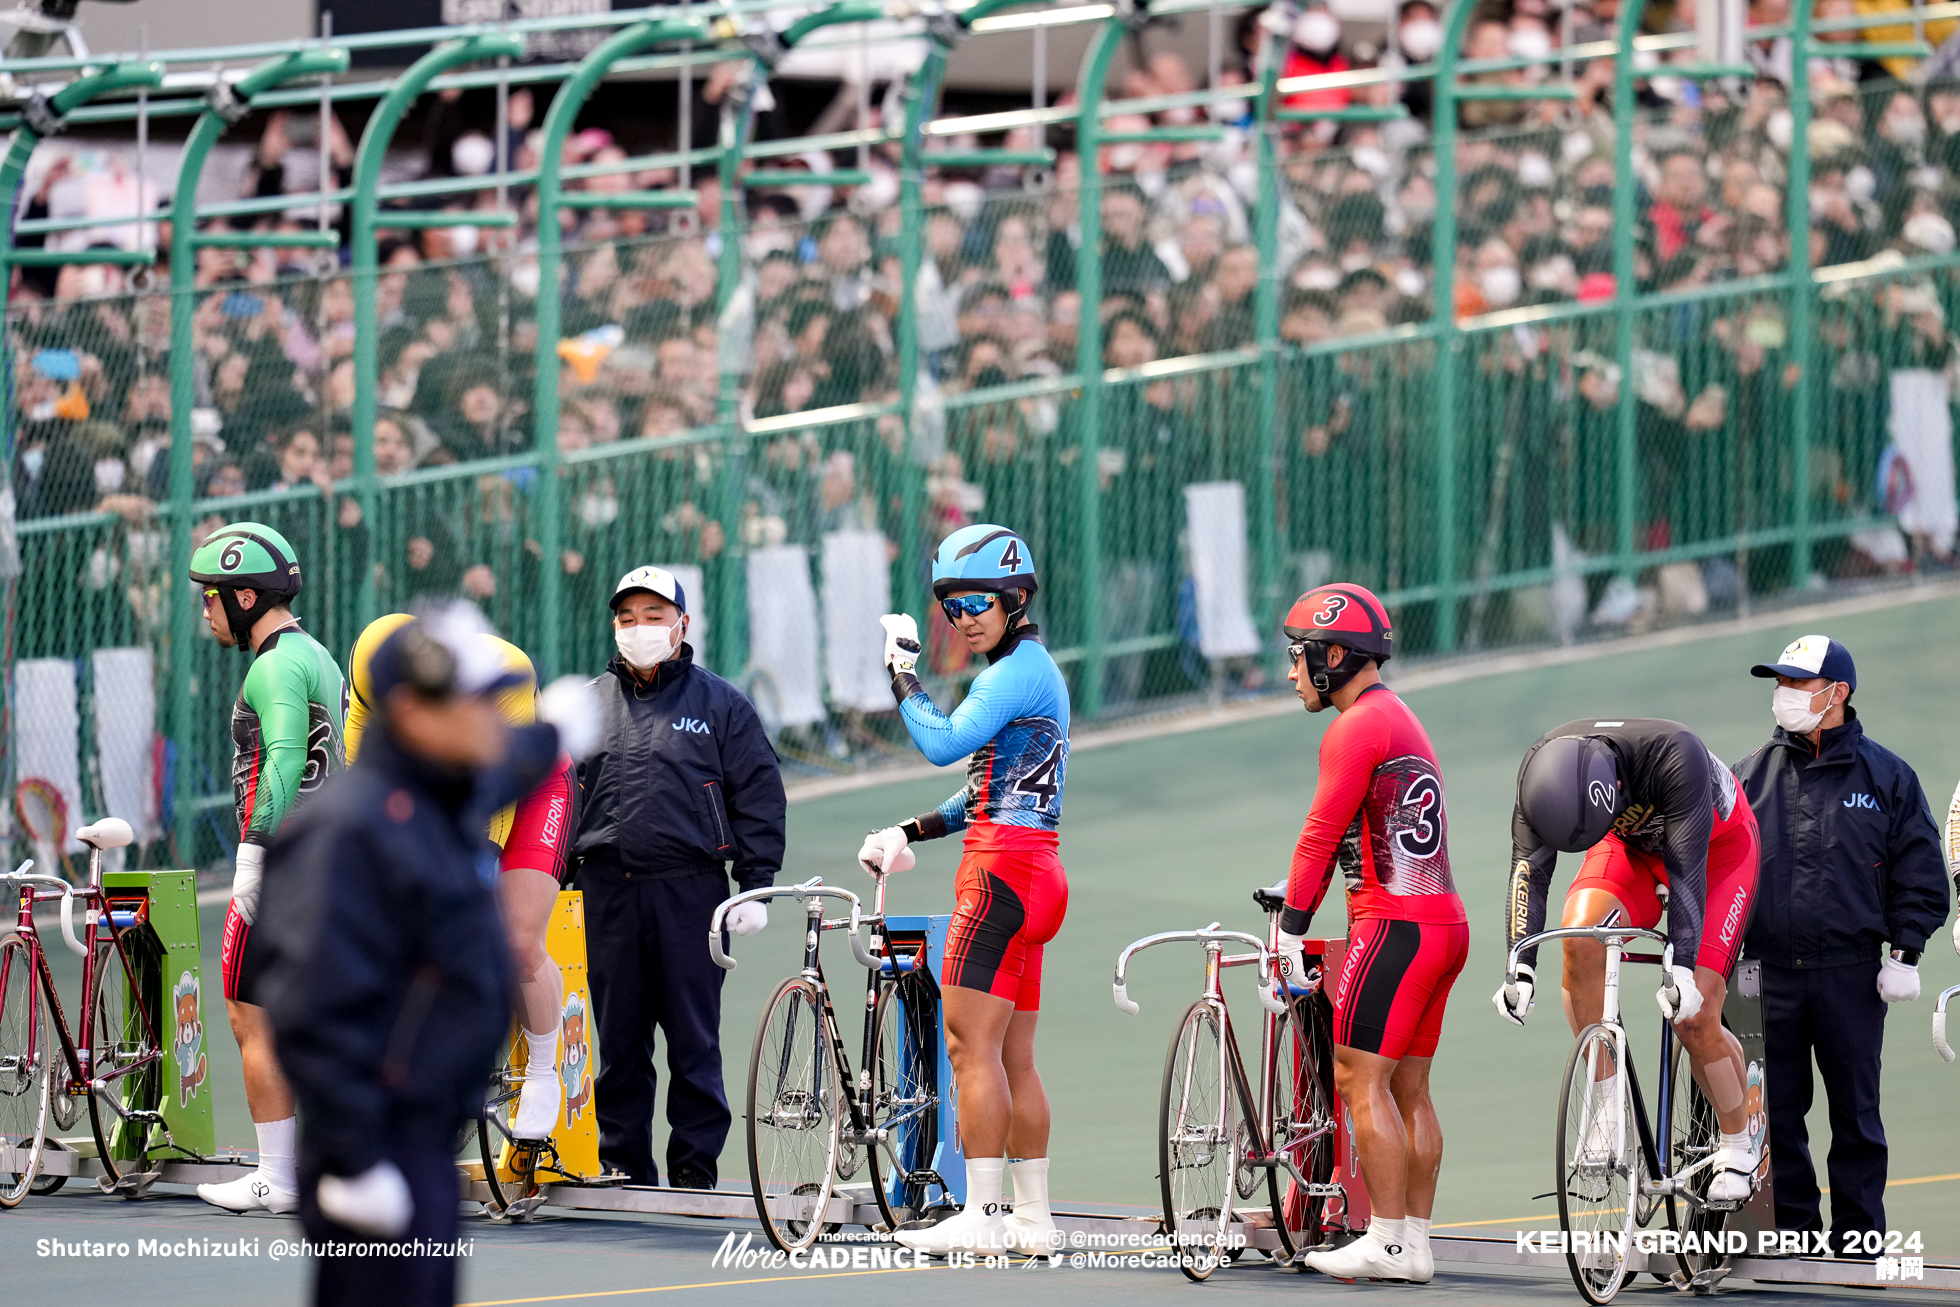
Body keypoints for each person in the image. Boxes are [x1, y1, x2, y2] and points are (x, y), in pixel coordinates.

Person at [256, 605, 595, 1307]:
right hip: (376, 1148)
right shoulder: (351, 829)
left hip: (424, 1137)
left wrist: (555, 731)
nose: (490, 714)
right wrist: (355, 1158)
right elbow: (308, 1006)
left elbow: (505, 771)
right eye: (471, 700)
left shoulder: (436, 793)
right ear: (413, 712)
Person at [859, 523, 1070, 1256]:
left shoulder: (1008, 674)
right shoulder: (1031, 670)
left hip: (1000, 874)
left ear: (1016, 598)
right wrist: (910, 830)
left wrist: (902, 675)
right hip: (1036, 871)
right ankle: (1033, 1220)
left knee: (967, 1045)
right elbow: (986, 788)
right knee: (1014, 1056)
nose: (965, 617)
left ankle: (982, 1215)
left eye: (979, 601)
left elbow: (945, 741)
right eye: (952, 606)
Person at [1275, 585, 1466, 1284]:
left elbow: (1319, 835)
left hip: (1392, 925)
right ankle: (1412, 1240)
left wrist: (1291, 931)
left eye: (1299, 657)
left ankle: (1385, 1240)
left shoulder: (1354, 726)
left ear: (1332, 655)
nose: (1291, 672)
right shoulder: (1399, 717)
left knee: (1358, 1079)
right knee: (1411, 1087)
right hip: (1444, 923)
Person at [1733, 635, 1948, 1254]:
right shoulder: (1747, 777)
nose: (1784, 697)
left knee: (1856, 1115)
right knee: (1777, 1114)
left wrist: (1906, 954)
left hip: (1852, 976)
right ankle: (1793, 1240)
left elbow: (1922, 872)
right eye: (1781, 684)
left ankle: (1860, 1243)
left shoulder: (1888, 777)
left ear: (1837, 693)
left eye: (1797, 685)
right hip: (1765, 975)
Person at [572, 566, 786, 1189]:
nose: (639, 630)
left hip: (690, 891)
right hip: (604, 891)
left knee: (694, 1039)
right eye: (627, 619)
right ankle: (622, 1164)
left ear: (683, 624)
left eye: (655, 617)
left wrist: (754, 879)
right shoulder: (588, 703)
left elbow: (758, 792)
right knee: (618, 1040)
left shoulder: (721, 704)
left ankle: (695, 1168)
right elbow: (559, 800)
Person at [1499, 717, 1763, 1206]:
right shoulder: (1541, 770)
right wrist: (1520, 965)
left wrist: (1681, 968)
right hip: (1625, 846)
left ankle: (1737, 1140)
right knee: (1580, 937)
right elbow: (1527, 873)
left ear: (1615, 787)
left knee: (1696, 1014)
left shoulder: (1675, 754)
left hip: (1717, 851)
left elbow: (1687, 875)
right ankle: (1605, 1103)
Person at [345, 613, 582, 1139]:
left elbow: (491, 799)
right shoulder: (367, 682)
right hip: (443, 774)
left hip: (530, 781)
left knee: (517, 936)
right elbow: (364, 789)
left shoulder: (504, 671)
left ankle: (544, 1073)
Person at [187, 522, 347, 1216]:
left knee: (250, 1013)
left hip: (285, 866)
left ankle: (278, 1175)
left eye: (212, 598)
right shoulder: (317, 653)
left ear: (246, 595)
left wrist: (254, 851)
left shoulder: (272, 664)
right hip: (332, 860)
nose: (206, 612)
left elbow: (283, 756)